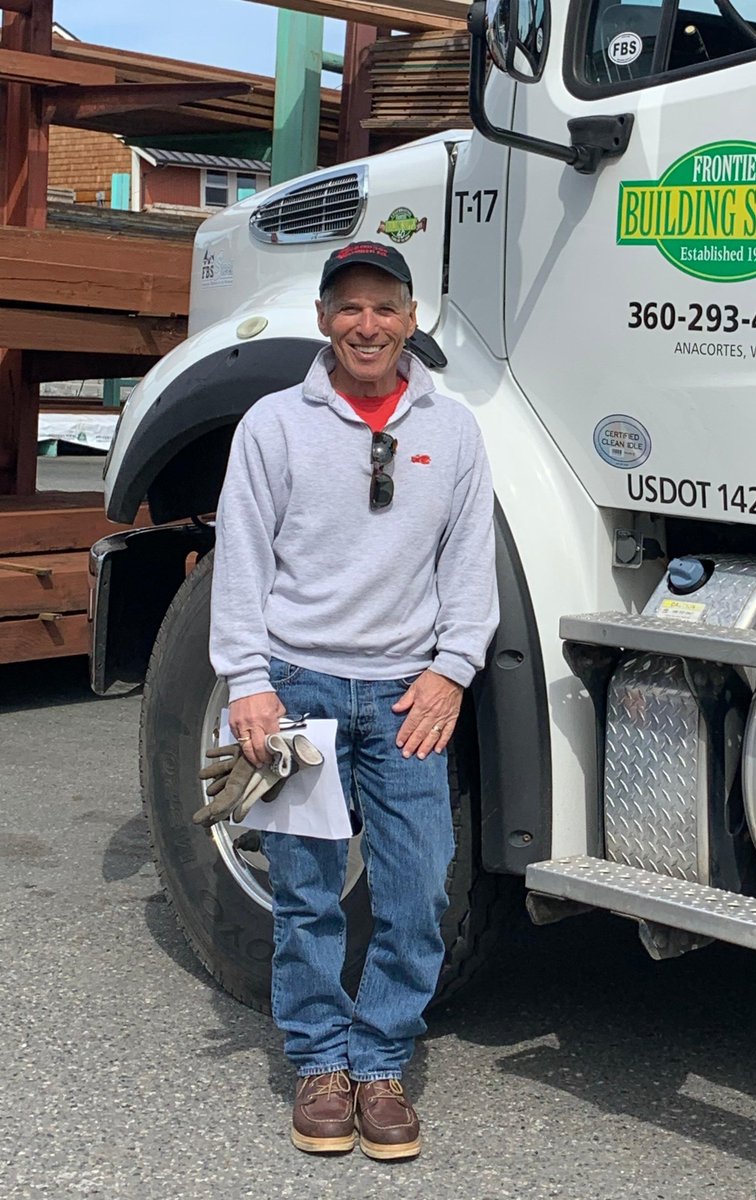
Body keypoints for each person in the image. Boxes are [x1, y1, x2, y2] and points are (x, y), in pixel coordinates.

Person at [207, 240, 499, 1160]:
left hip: (407, 693)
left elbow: (468, 562)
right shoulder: (273, 424)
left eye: (385, 307)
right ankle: (321, 1064)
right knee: (308, 895)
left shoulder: (451, 430)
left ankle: (380, 1063)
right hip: (300, 690)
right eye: (348, 307)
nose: (366, 325)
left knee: (416, 890)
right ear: (325, 320)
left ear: (413, 320)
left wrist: (453, 670)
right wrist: (248, 683)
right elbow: (244, 559)